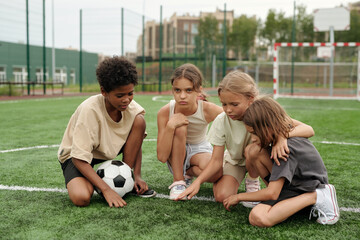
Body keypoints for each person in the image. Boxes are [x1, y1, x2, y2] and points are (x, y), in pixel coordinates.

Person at [177, 71, 315, 207]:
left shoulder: (264, 113)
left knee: (252, 150)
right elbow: (216, 161)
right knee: (221, 196)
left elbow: (308, 129)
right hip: (235, 161)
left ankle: (253, 180)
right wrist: (198, 182)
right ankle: (191, 171)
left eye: (234, 104)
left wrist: (282, 136)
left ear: (251, 99)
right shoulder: (221, 120)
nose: (228, 110)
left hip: (261, 158)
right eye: (224, 104)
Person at [222, 96, 340, 227]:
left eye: (255, 133)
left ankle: (318, 196)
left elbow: (272, 193)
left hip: (306, 189)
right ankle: (288, 197)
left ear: (269, 126)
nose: (253, 138)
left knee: (259, 218)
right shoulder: (279, 131)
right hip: (293, 186)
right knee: (253, 150)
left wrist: (239, 197)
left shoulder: (283, 149)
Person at [58, 56, 156, 208]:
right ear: (104, 91)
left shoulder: (132, 109)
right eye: (120, 95)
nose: (126, 100)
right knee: (81, 197)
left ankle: (125, 178)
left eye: (130, 93)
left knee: (139, 120)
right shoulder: (89, 110)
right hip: (77, 156)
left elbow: (136, 144)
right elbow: (78, 158)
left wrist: (136, 175)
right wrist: (105, 189)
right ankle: (98, 180)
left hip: (107, 150)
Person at [157, 63, 223, 200]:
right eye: (177, 90)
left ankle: (188, 172)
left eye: (188, 90)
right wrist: (170, 126)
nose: (182, 96)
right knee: (179, 126)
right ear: (172, 90)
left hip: (199, 150)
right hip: (174, 154)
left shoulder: (207, 109)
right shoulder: (165, 112)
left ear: (199, 90)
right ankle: (178, 181)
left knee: (216, 173)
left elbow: (235, 120)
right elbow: (162, 157)